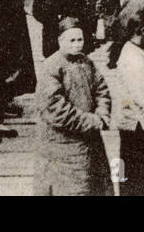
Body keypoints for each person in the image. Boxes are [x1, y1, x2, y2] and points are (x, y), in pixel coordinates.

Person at [36, 18, 112, 196]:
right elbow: (55, 109)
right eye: (72, 40)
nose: (77, 45)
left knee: (95, 186)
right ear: (60, 40)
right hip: (63, 146)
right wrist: (92, 121)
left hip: (89, 143)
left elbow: (101, 89)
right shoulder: (51, 67)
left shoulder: (87, 62)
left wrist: (102, 111)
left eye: (80, 40)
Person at [115, 11, 144, 196]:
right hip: (138, 126)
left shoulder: (136, 49)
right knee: (141, 176)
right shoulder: (133, 58)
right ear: (140, 30)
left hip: (134, 122)